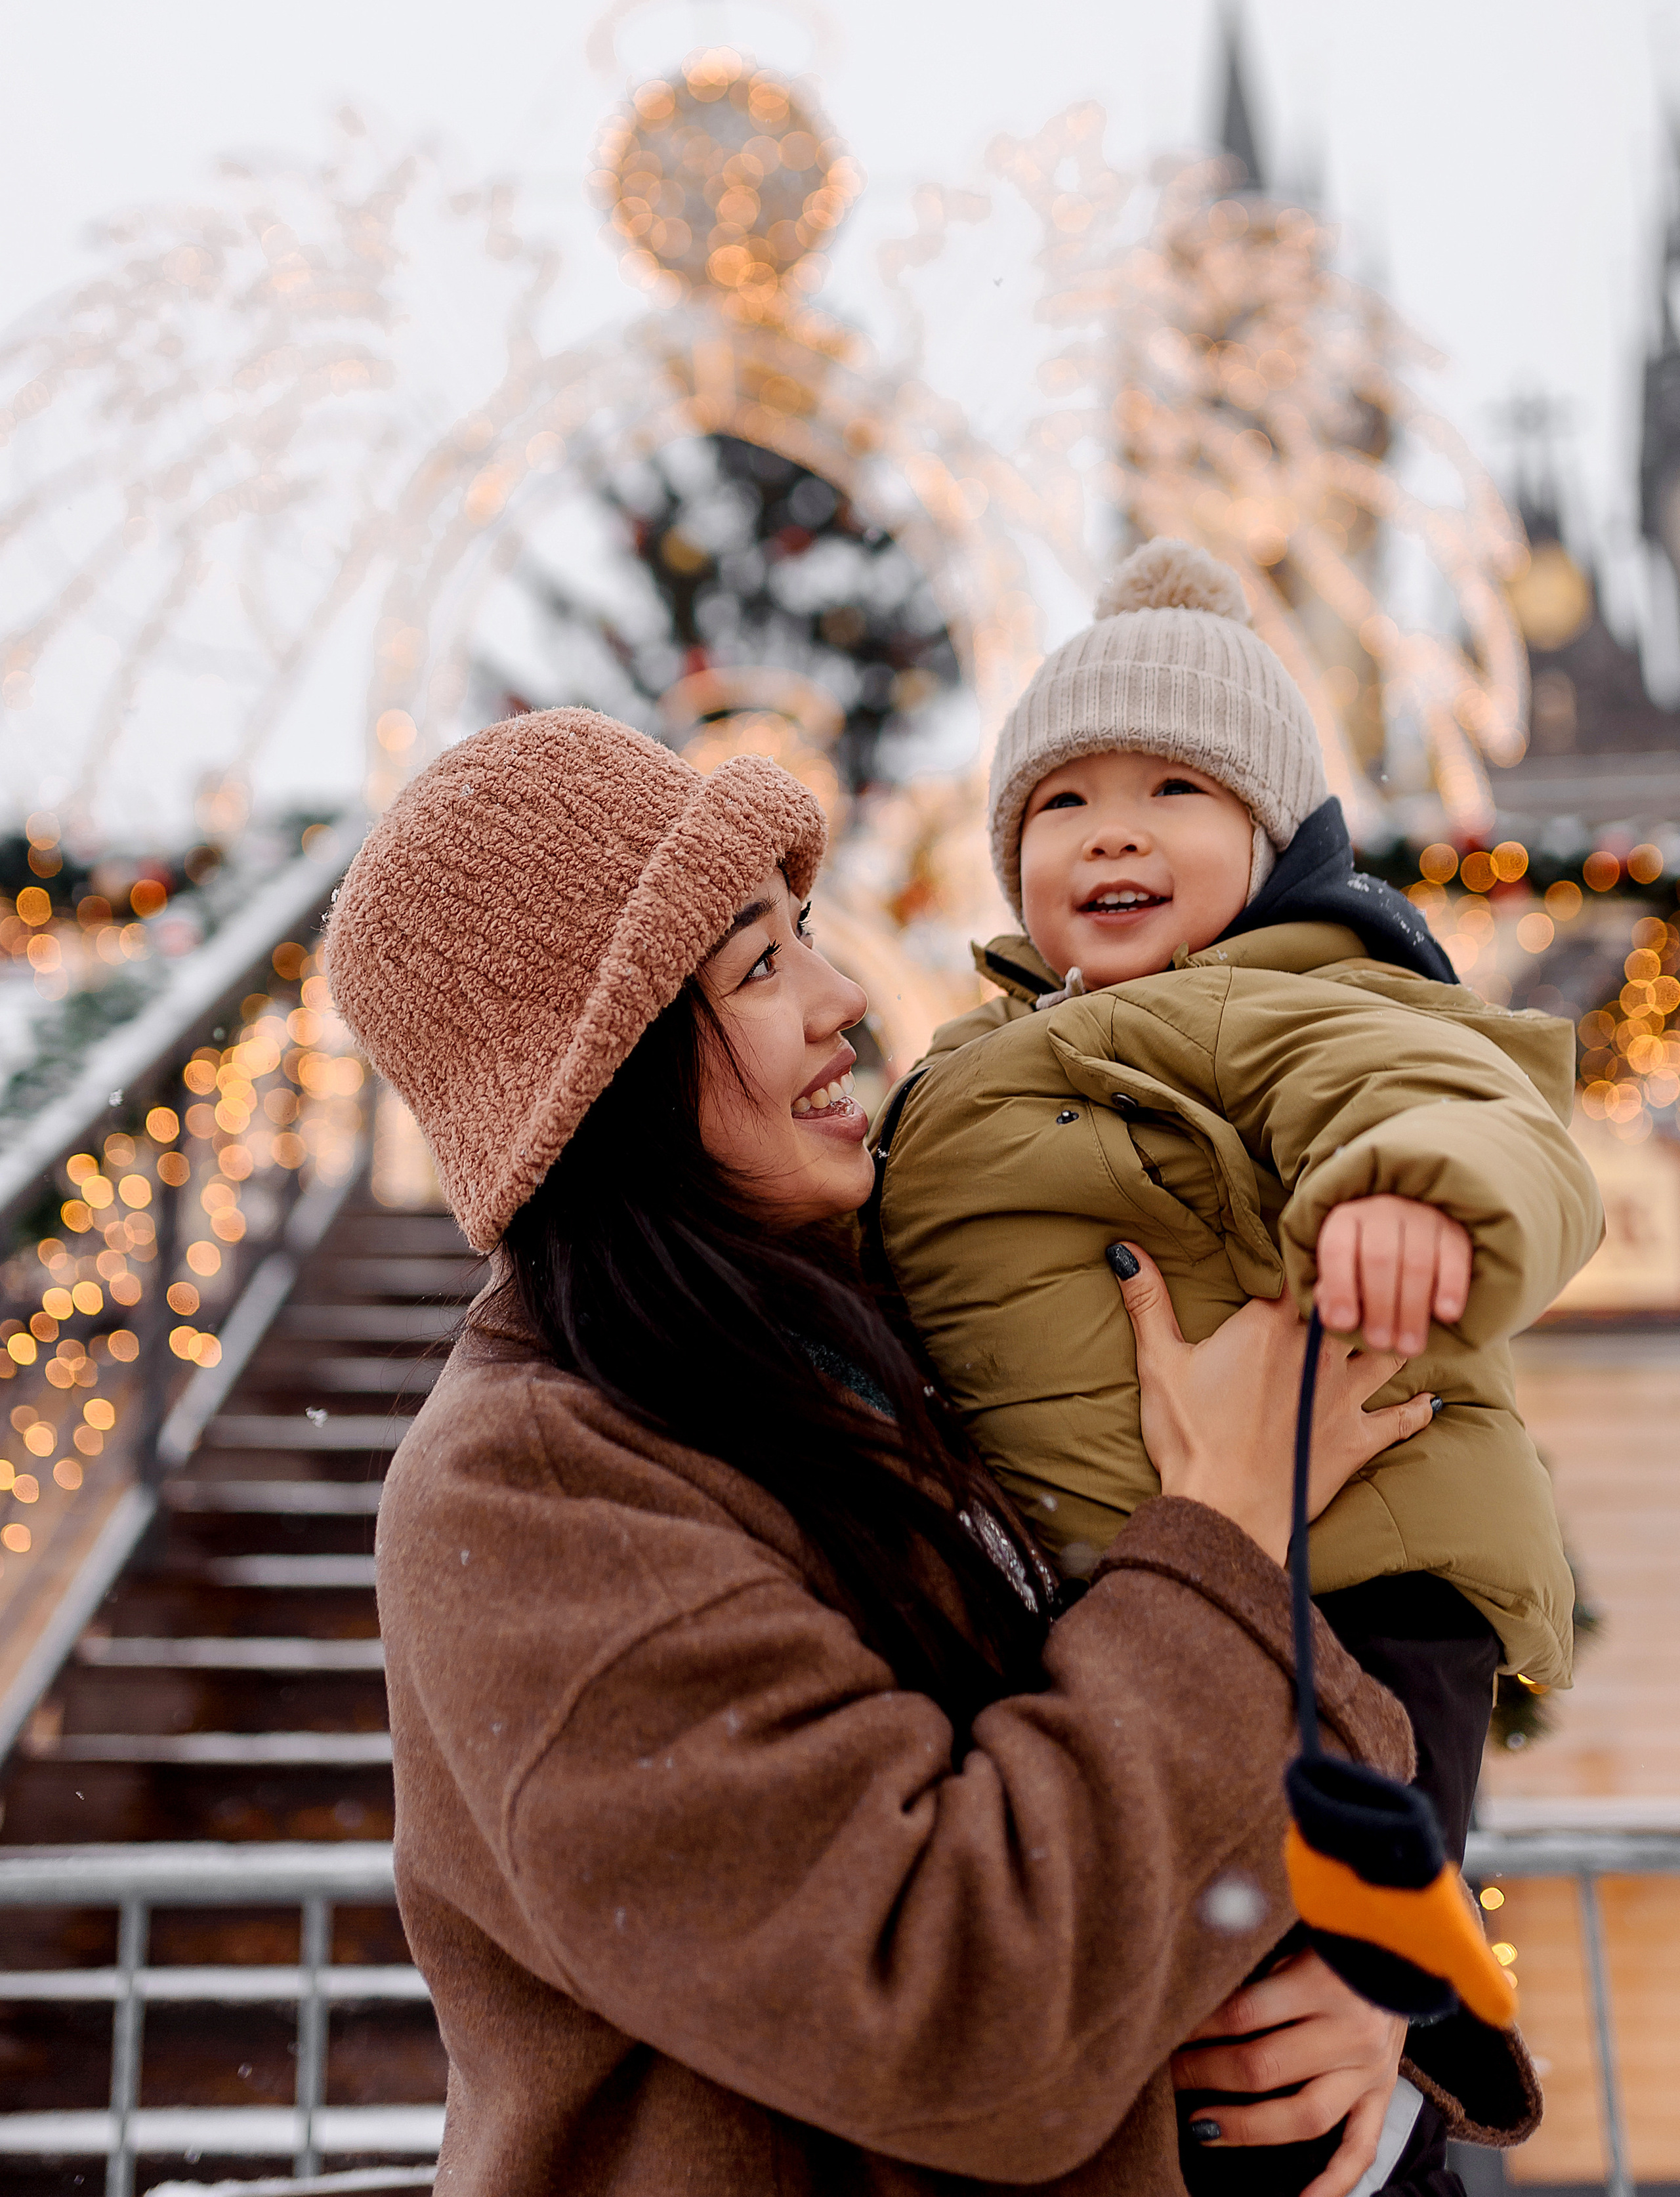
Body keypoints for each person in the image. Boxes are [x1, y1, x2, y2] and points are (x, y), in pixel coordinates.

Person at [327, 705, 1539, 2197]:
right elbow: (957, 2014)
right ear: (605, 1078)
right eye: (758, 968)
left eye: (806, 935)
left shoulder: (863, 1343)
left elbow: (1215, 1753)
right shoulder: (532, 1495)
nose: (842, 997)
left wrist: (1365, 1988)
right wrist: (1220, 1526)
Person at [867, 542, 1601, 2190]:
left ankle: (1389, 2084)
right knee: (1197, 2019)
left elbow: (1456, 1097)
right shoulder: (969, 1062)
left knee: (1306, 1992)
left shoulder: (1281, 994)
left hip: (1355, 1572)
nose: (1110, 829)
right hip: (1122, 1600)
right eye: (1059, 804)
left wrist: (1414, 1194)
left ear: (1270, 845)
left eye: (1173, 789)